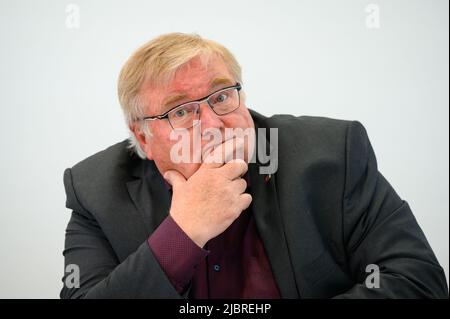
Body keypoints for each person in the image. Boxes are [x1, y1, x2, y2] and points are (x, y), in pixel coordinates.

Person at [61, 33, 448, 299]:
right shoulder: (95, 191)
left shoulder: (332, 155)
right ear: (143, 137)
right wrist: (184, 232)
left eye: (222, 96)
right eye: (181, 111)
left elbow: (418, 280)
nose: (212, 124)